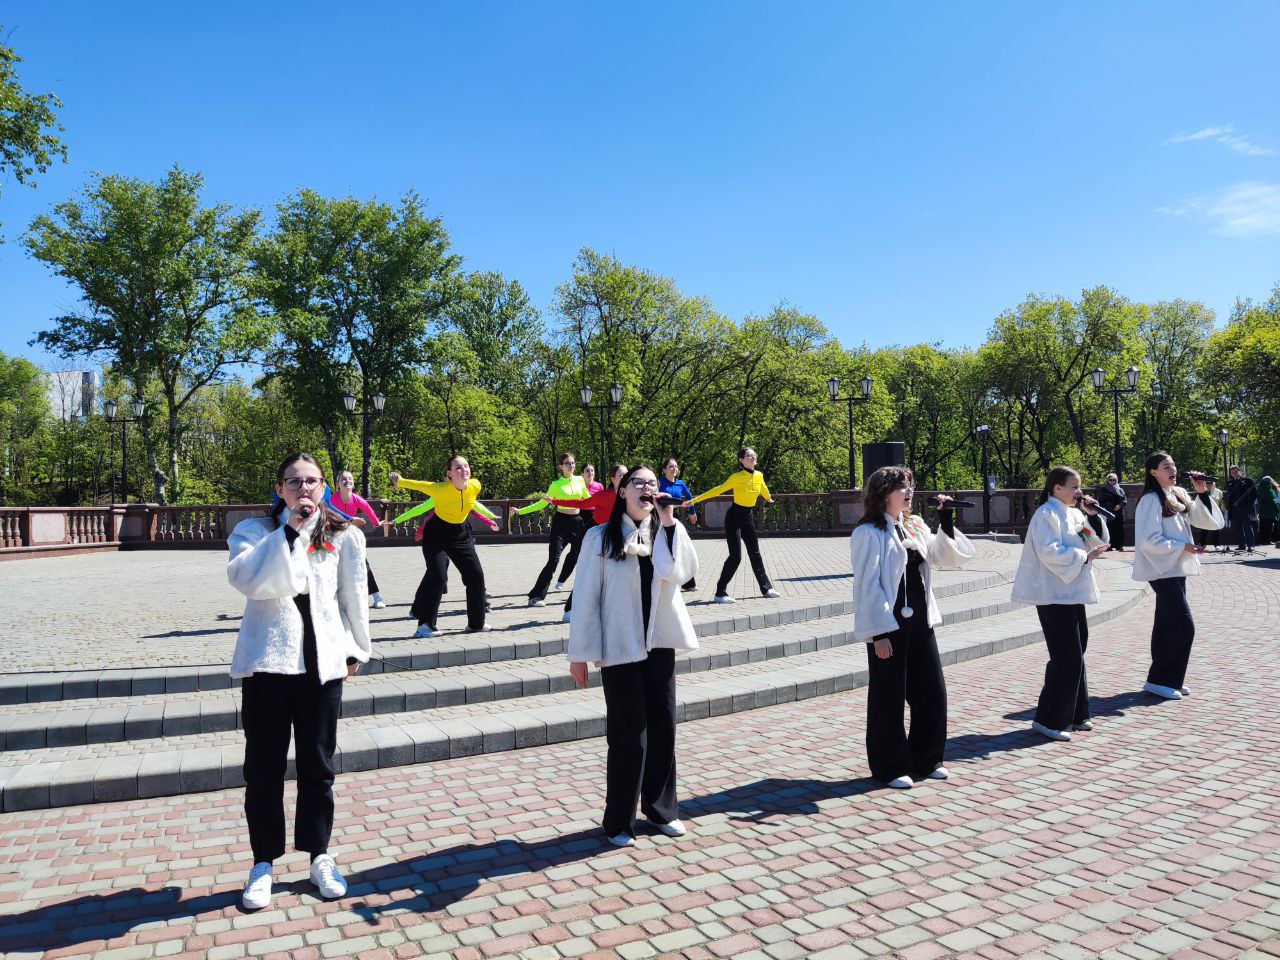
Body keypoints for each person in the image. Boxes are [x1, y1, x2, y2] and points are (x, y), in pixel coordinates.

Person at [227, 453, 371, 911]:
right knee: (263, 769)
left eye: (312, 481)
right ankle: (262, 863)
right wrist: (290, 532)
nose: (303, 489)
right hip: (269, 664)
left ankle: (319, 855)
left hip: (322, 664)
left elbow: (352, 595)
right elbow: (251, 581)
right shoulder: (254, 532)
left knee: (318, 765)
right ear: (280, 489)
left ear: (324, 487)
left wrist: (356, 648)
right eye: (294, 482)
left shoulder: (344, 534)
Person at [567, 464, 699, 846]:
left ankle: (660, 810)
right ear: (622, 491)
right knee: (629, 735)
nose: (647, 487)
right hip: (619, 647)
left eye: (653, 483)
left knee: (663, 728)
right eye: (638, 482)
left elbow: (682, 572)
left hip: (659, 643)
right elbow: (586, 597)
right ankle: (619, 821)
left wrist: (669, 522)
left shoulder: (666, 529)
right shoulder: (599, 537)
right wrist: (579, 654)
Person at [849, 466, 974, 789]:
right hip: (888, 621)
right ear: (883, 493)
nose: (908, 492)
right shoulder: (868, 533)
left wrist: (945, 519)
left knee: (932, 691)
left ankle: (927, 758)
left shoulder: (914, 524)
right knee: (888, 696)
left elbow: (946, 557)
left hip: (920, 617)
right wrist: (878, 633)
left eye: (910, 486)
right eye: (901, 487)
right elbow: (867, 585)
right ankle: (890, 766)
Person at [1011, 467, 1111, 743]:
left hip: (1073, 593)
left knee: (1078, 651)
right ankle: (1049, 719)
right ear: (1057, 488)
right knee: (1066, 657)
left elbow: (1096, 541)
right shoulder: (1046, 514)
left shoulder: (1075, 514)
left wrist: (1094, 517)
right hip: (1052, 594)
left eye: (1080, 487)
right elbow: (1049, 551)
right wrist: (1084, 556)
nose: (1079, 492)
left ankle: (1077, 713)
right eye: (1074, 487)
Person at [1132, 452, 1223, 700]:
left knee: (1165, 624)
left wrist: (1202, 492)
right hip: (1160, 569)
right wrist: (1183, 546)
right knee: (1184, 626)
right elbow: (1148, 540)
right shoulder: (1150, 500)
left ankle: (1165, 680)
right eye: (1166, 466)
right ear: (1153, 472)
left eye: (1173, 465)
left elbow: (1209, 522)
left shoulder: (1179, 493)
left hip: (1176, 569)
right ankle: (1160, 679)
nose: (1172, 469)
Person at [390, 456, 492, 638]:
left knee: (476, 576)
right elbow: (421, 485)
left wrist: (491, 519)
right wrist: (401, 482)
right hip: (436, 536)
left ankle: (476, 623)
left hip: (460, 535)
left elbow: (475, 505)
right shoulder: (441, 489)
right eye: (458, 467)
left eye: (466, 466)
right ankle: (425, 626)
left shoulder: (475, 485)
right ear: (450, 474)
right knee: (437, 577)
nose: (464, 470)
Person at [684, 447, 780, 603]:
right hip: (734, 518)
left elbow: (763, 487)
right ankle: (720, 593)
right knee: (735, 557)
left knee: (755, 553)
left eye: (754, 455)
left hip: (748, 517)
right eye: (749, 455)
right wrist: (694, 501)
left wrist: (768, 498)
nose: (753, 457)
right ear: (741, 460)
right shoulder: (736, 477)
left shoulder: (759, 475)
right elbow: (717, 490)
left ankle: (766, 588)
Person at [541, 464, 627, 622]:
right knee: (588, 575)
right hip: (596, 537)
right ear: (613, 479)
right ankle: (570, 610)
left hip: (617, 538)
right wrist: (554, 501)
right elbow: (580, 503)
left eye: (627, 475)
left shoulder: (629, 497)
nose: (625, 478)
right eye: (621, 475)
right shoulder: (603, 495)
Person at [512, 453, 592, 606]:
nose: (571, 466)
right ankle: (535, 597)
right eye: (567, 463)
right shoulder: (556, 484)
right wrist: (521, 511)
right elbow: (543, 503)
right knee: (553, 560)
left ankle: (585, 596)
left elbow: (589, 500)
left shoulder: (580, 480)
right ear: (561, 466)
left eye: (573, 463)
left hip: (578, 523)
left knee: (582, 558)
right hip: (561, 524)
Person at [330, 470, 387, 608]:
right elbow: (329, 512)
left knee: (362, 563)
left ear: (353, 484)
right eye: (343, 479)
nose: (347, 481)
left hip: (350, 535)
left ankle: (377, 597)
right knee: (332, 566)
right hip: (332, 535)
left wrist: (376, 523)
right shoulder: (332, 499)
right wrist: (350, 519)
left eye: (350, 479)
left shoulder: (356, 499)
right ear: (338, 484)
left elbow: (368, 510)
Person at [659, 458, 698, 592]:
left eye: (675, 466)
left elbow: (689, 497)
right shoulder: (659, 483)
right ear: (664, 470)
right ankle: (664, 581)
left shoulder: (680, 483)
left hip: (675, 518)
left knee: (681, 548)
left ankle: (688, 583)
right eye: (671, 466)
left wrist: (692, 512)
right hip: (660, 518)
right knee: (665, 549)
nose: (674, 469)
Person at [1224, 465, 1258, 554]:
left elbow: (1254, 494)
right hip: (1234, 509)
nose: (1234, 474)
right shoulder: (1230, 483)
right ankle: (1241, 545)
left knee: (1247, 527)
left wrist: (1250, 506)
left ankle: (1251, 545)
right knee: (1238, 528)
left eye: (1236, 471)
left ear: (1239, 471)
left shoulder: (1248, 480)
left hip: (1245, 508)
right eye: (1232, 472)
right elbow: (1227, 495)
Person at [1093, 473, 1128, 552]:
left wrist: (1119, 505)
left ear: (1116, 480)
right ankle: (1109, 546)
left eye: (1114, 480)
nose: (1112, 481)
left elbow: (1124, 500)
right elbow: (1101, 501)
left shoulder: (1120, 490)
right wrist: (1104, 510)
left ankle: (1119, 545)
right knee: (1109, 529)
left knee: (1119, 529)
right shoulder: (1104, 490)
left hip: (1118, 512)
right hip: (1108, 512)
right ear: (1107, 480)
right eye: (1110, 480)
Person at [1258, 475, 1280, 546]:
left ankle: (1263, 540)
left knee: (1263, 527)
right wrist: (1277, 505)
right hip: (1269, 512)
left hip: (1263, 512)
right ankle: (1267, 541)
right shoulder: (1268, 490)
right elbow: (1272, 501)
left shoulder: (1260, 489)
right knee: (1268, 527)